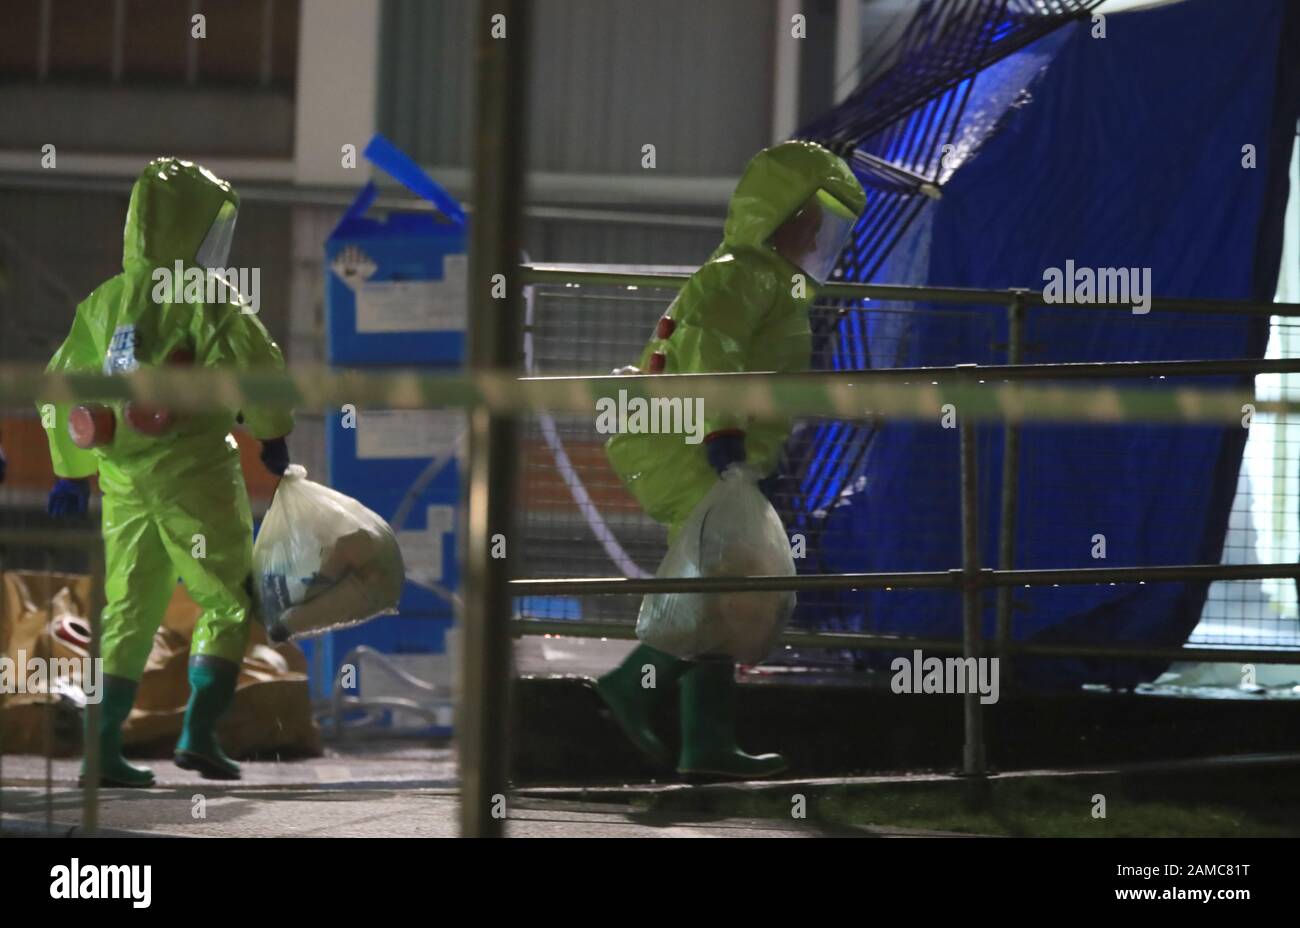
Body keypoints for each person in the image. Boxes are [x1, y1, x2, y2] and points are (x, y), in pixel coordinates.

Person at [597, 140, 866, 779]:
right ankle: (635, 686)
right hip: (695, 446)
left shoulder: (759, 276)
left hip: (698, 444)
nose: (822, 233)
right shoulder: (745, 273)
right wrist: (724, 439)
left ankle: (707, 745)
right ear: (787, 214)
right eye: (815, 215)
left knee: (721, 588)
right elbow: (712, 353)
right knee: (727, 590)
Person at [41, 158, 293, 786]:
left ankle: (102, 750)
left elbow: (60, 385)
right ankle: (199, 735)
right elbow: (258, 371)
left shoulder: (105, 302)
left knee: (128, 608)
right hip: (196, 478)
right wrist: (273, 436)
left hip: (122, 484)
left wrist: (70, 471)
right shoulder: (209, 299)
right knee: (228, 599)